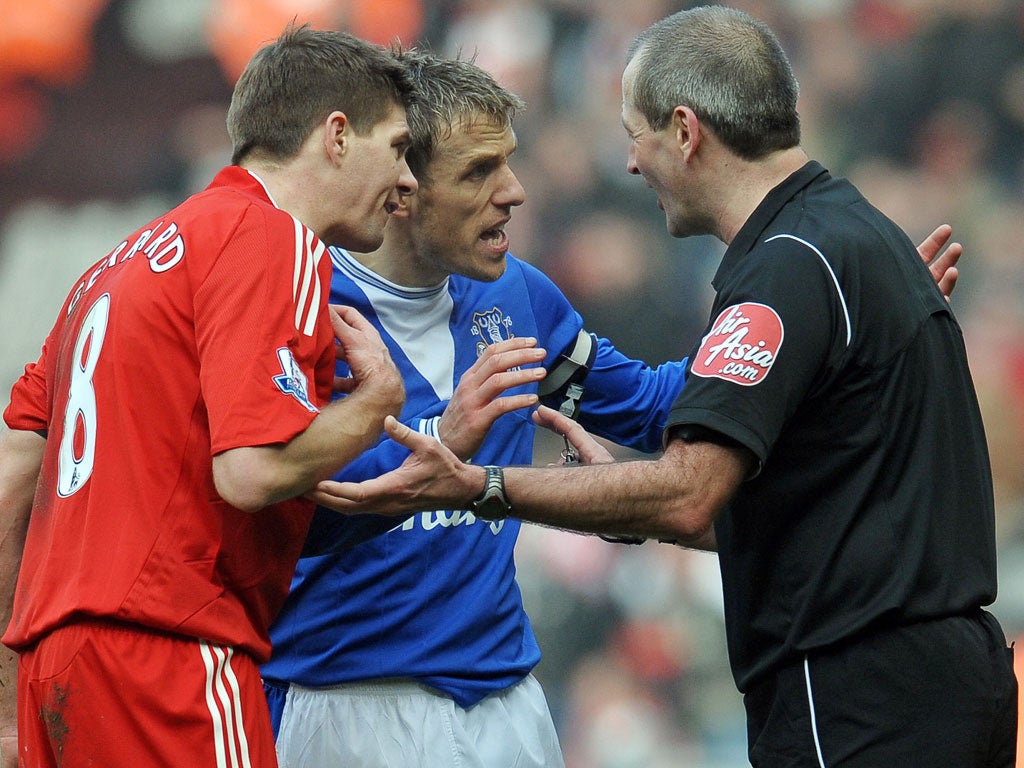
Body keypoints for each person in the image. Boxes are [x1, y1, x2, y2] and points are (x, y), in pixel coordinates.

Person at [313, 7, 1016, 768]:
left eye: (509, 162)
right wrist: (838, 334)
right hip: (340, 696)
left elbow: (659, 410)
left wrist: (835, 337)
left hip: (504, 700)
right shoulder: (301, 304)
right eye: (480, 171)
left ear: (685, 133)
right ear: (403, 188)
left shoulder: (525, 298)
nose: (515, 191)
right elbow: (261, 497)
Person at [0, 25, 417, 767]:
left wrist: (5, 700)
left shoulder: (111, 269)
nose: (409, 180)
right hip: (170, 651)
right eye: (398, 147)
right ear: (338, 135)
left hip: (52, 667)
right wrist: (374, 405)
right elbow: (250, 471)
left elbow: (11, 482)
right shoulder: (273, 237)